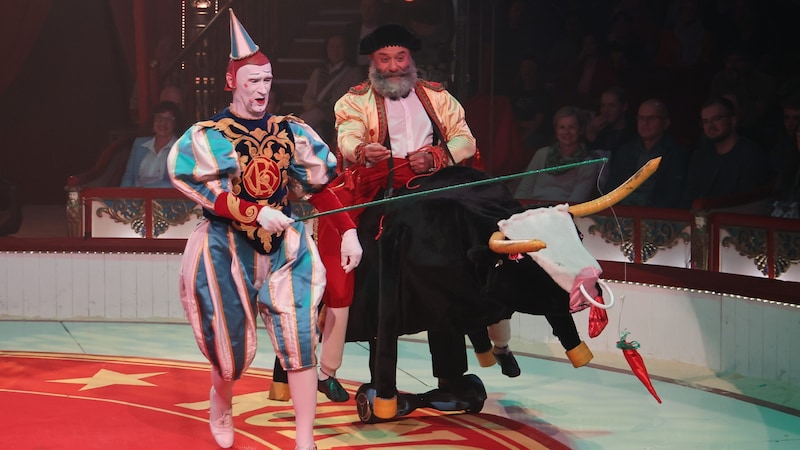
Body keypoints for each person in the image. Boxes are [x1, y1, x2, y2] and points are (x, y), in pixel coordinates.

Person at [167, 10, 362, 450]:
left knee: (299, 340)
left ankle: (305, 440)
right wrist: (254, 214)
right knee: (229, 350)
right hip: (225, 246)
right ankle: (221, 398)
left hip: (284, 247)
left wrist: (347, 230)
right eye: (252, 80)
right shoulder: (210, 135)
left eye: (267, 80)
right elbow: (207, 194)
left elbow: (320, 187)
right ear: (232, 82)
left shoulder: (290, 131)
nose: (261, 89)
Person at [328, 23, 493, 395]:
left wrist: (438, 155)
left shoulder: (439, 97)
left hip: (434, 191)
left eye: (400, 57)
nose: (393, 66)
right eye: (384, 59)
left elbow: (465, 139)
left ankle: (453, 374)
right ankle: (378, 374)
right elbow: (348, 135)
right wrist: (361, 151)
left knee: (457, 265)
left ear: (411, 59)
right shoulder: (354, 100)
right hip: (381, 193)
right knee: (371, 266)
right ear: (372, 63)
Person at [681, 96, 769, 208]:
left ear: (733, 121)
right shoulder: (700, 155)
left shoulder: (751, 154)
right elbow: (688, 197)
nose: (710, 125)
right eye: (705, 121)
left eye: (716, 119)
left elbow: (747, 199)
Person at [602, 99, 690, 208]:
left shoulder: (676, 154)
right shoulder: (625, 152)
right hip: (622, 214)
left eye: (651, 118)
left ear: (665, 123)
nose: (645, 123)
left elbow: (672, 196)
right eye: (641, 118)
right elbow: (611, 191)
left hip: (656, 216)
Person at [514, 106, 602, 202]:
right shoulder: (541, 154)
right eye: (562, 127)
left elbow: (576, 202)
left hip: (563, 214)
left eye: (572, 127)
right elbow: (524, 190)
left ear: (580, 130)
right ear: (556, 131)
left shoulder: (588, 163)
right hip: (533, 211)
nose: (566, 132)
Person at [300, 33, 364, 144]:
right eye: (332, 46)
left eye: (339, 47)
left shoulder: (354, 73)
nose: (335, 50)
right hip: (316, 114)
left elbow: (354, 100)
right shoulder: (318, 72)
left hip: (336, 116)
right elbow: (307, 97)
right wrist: (314, 106)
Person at [120, 101, 182, 188]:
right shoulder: (139, 144)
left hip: (165, 200)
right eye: (159, 118)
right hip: (137, 199)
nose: (163, 123)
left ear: (175, 124)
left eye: (169, 119)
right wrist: (124, 197)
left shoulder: (181, 149)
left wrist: (146, 189)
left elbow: (179, 184)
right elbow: (129, 177)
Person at [585, 86, 637, 158]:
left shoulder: (634, 134)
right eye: (603, 105)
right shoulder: (598, 132)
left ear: (624, 107)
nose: (605, 110)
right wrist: (591, 137)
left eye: (611, 106)